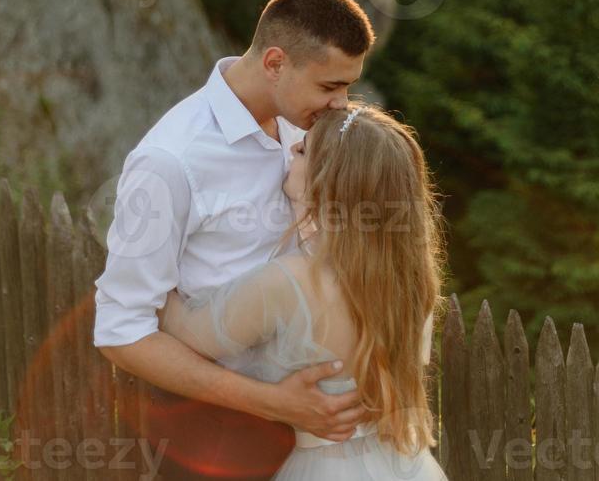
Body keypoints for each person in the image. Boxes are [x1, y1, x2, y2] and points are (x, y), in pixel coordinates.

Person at [94, 0, 377, 480]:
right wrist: (272, 403)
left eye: (347, 87)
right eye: (329, 86)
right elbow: (122, 332)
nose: (340, 105)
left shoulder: (303, 128)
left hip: (314, 436)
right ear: (274, 63)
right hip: (214, 437)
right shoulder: (169, 162)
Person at [158, 103, 449, 481]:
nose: (291, 150)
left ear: (326, 182)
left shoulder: (289, 281)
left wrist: (156, 264)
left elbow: (188, 331)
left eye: (304, 149)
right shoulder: (412, 283)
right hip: (406, 465)